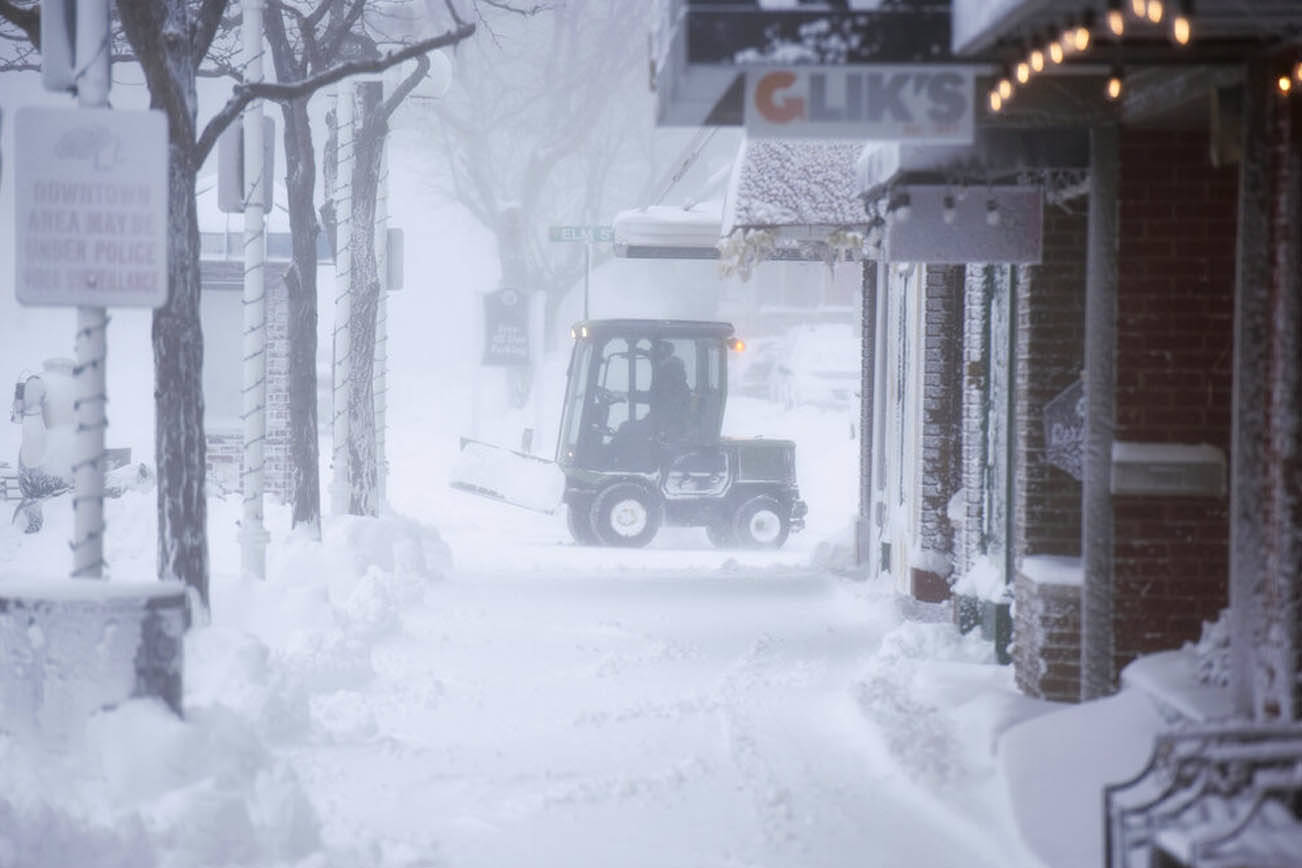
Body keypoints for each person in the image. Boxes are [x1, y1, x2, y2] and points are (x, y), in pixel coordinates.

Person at [648, 340, 692, 444]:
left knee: (628, 430)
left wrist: (629, 396)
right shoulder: (670, 374)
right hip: (666, 422)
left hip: (671, 425)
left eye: (652, 356)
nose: (651, 360)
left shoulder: (668, 375)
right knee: (628, 428)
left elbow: (663, 399)